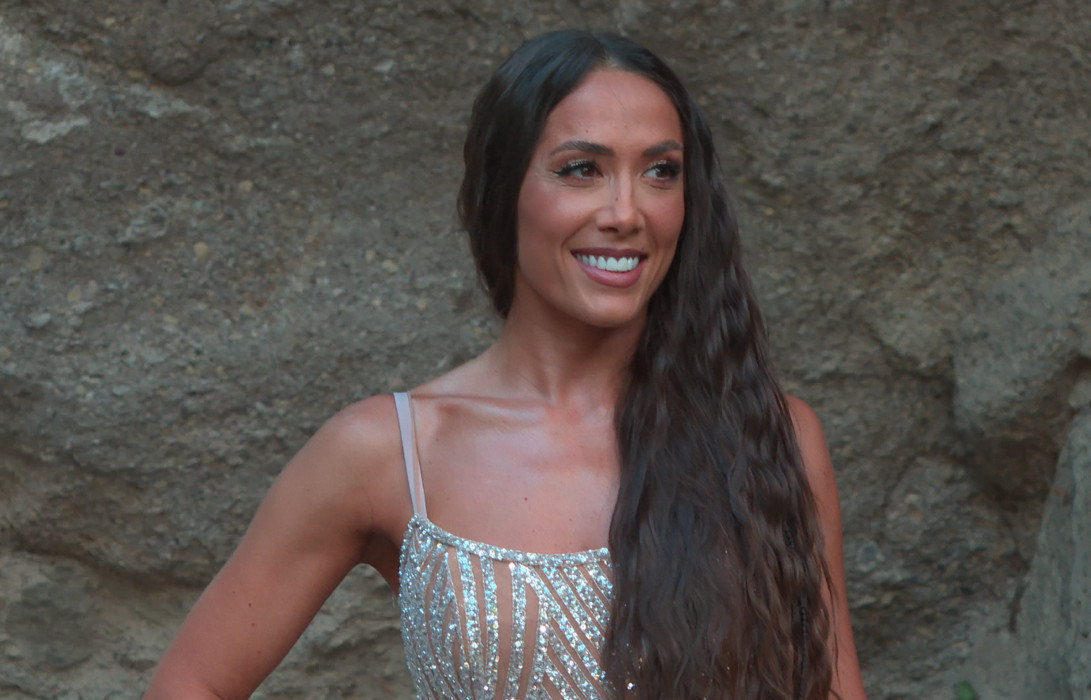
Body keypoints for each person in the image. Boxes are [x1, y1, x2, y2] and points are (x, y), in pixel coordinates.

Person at [145, 29, 866, 700]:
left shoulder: (767, 436)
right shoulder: (390, 452)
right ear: (502, 188)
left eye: (660, 171)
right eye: (581, 170)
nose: (626, 212)